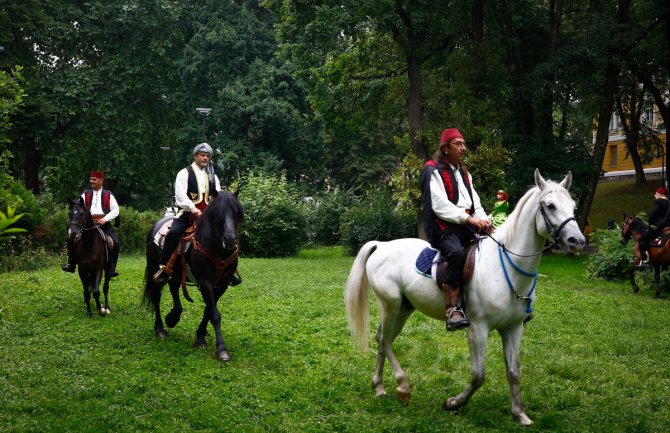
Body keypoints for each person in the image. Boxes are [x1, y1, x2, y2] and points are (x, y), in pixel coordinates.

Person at [419, 128, 491, 332]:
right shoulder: (432, 170)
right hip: (444, 228)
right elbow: (440, 206)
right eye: (458, 144)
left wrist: (483, 220)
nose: (463, 148)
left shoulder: (464, 173)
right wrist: (469, 219)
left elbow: (475, 202)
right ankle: (452, 309)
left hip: (466, 225)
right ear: (445, 148)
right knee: (457, 253)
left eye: (464, 143)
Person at [153, 142, 236, 286]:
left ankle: (230, 270)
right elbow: (180, 195)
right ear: (195, 156)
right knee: (174, 233)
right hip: (187, 215)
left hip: (208, 217)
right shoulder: (184, 173)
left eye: (208, 156)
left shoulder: (213, 177)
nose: (205, 158)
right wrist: (193, 208)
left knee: (226, 232)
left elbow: (217, 195)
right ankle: (164, 268)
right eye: (202, 155)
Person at [63, 170, 121, 277]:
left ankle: (112, 267)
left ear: (101, 181)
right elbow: (78, 206)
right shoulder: (85, 194)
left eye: (94, 179)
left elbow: (116, 210)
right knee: (72, 239)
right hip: (88, 226)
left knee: (116, 243)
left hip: (104, 225)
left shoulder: (108, 195)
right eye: (91, 179)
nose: (92, 181)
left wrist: (105, 219)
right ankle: (71, 263)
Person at [638, 186, 670, 266]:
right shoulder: (667, 202)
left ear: (660, 194)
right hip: (665, 225)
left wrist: (650, 222)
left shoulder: (659, 201)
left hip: (656, 225)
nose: (655, 196)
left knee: (642, 240)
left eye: (656, 194)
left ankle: (646, 260)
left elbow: (653, 214)